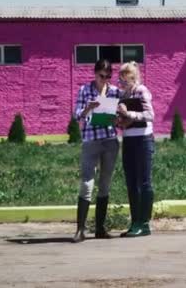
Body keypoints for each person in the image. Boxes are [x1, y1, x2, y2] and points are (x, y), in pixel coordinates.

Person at [72, 59, 120, 243]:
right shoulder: (84, 90)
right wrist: (87, 109)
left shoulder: (114, 91)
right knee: (87, 184)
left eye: (108, 77)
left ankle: (100, 228)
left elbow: (118, 116)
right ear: (95, 73)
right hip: (91, 141)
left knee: (105, 184)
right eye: (102, 76)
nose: (105, 80)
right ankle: (80, 229)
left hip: (109, 141)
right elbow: (76, 115)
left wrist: (117, 117)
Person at [116, 61, 155, 237]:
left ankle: (144, 224)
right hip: (128, 140)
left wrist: (128, 114)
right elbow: (123, 121)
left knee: (144, 182)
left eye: (124, 80)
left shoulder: (141, 91)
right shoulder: (122, 95)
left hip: (144, 139)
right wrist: (117, 120)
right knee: (131, 182)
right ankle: (134, 222)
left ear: (133, 78)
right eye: (120, 80)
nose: (121, 84)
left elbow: (150, 115)